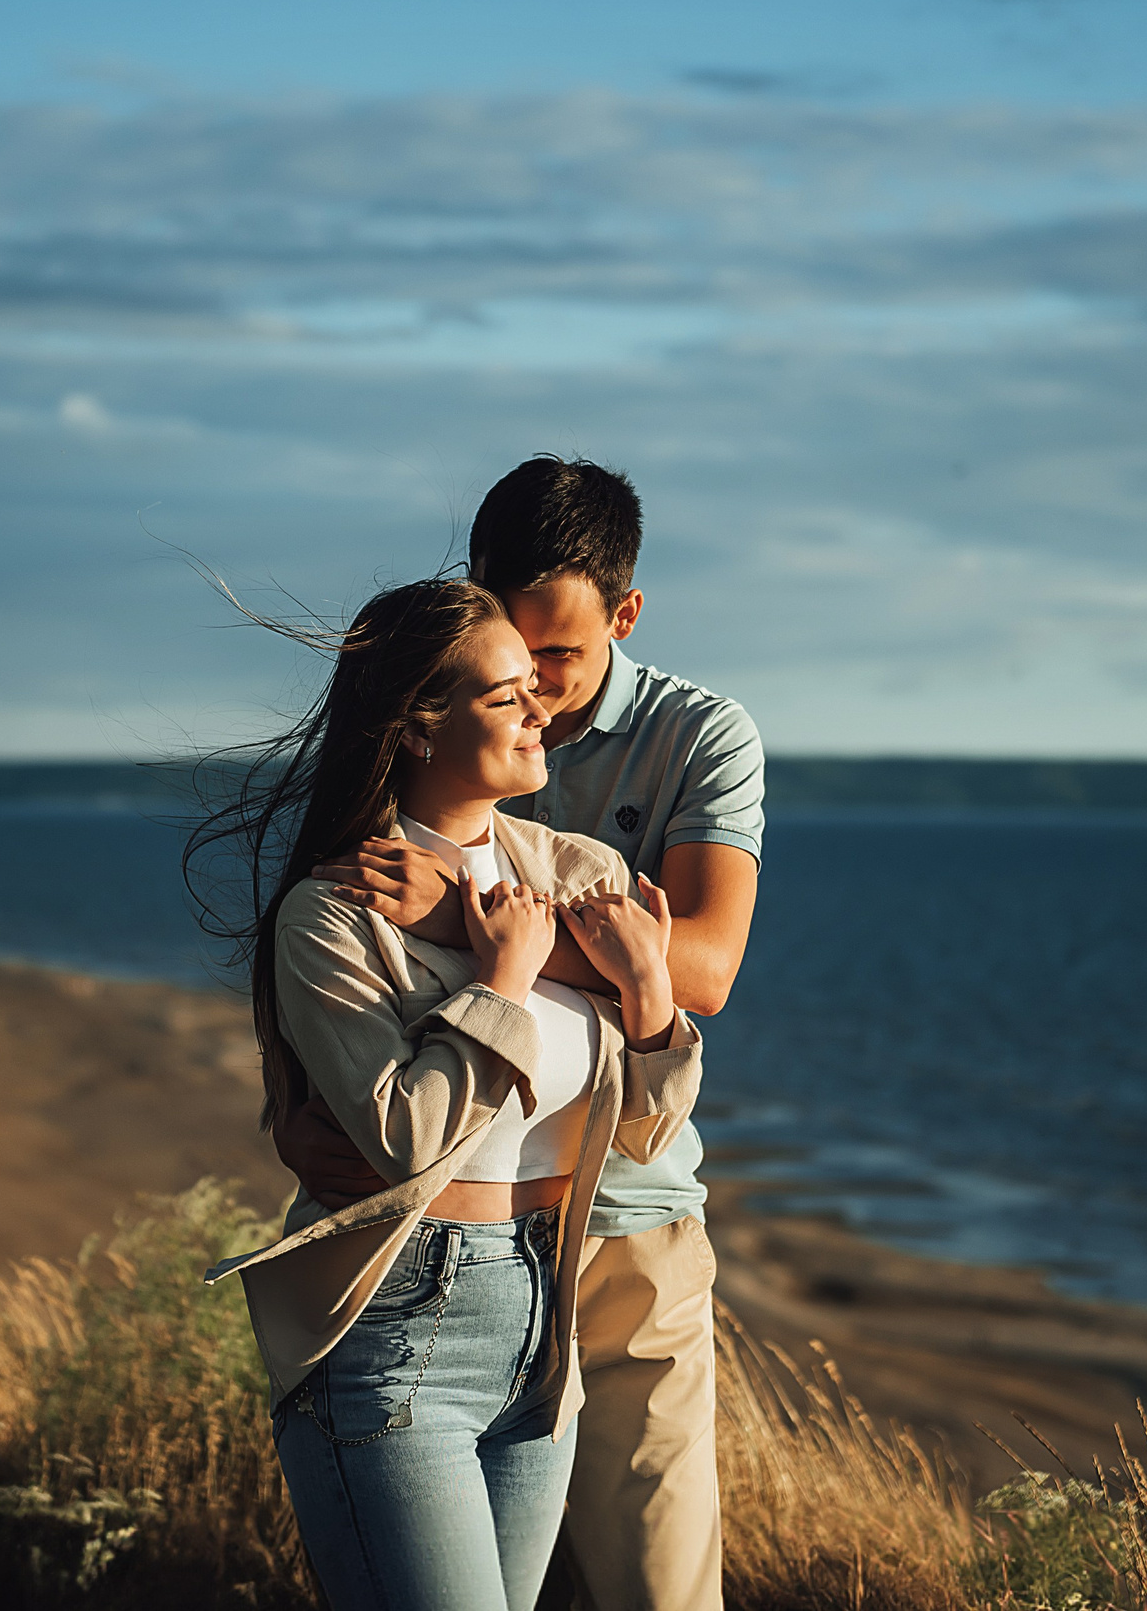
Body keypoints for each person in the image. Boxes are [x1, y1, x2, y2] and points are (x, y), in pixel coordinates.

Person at [287, 458, 763, 1611]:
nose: (537, 692)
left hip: (621, 1224)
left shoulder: (683, 748)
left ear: (625, 615)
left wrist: (479, 924)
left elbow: (698, 976)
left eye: (556, 656)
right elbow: (349, 1030)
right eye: (510, 662)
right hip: (423, 1280)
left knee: (658, 1588)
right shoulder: (363, 864)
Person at [195, 575, 708, 1611]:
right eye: (505, 695)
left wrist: (651, 995)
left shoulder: (583, 874)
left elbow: (645, 1130)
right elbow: (409, 1137)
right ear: (419, 727)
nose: (540, 709)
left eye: (536, 687)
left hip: (544, 1327)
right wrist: (503, 977)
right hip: (395, 1332)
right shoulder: (332, 914)